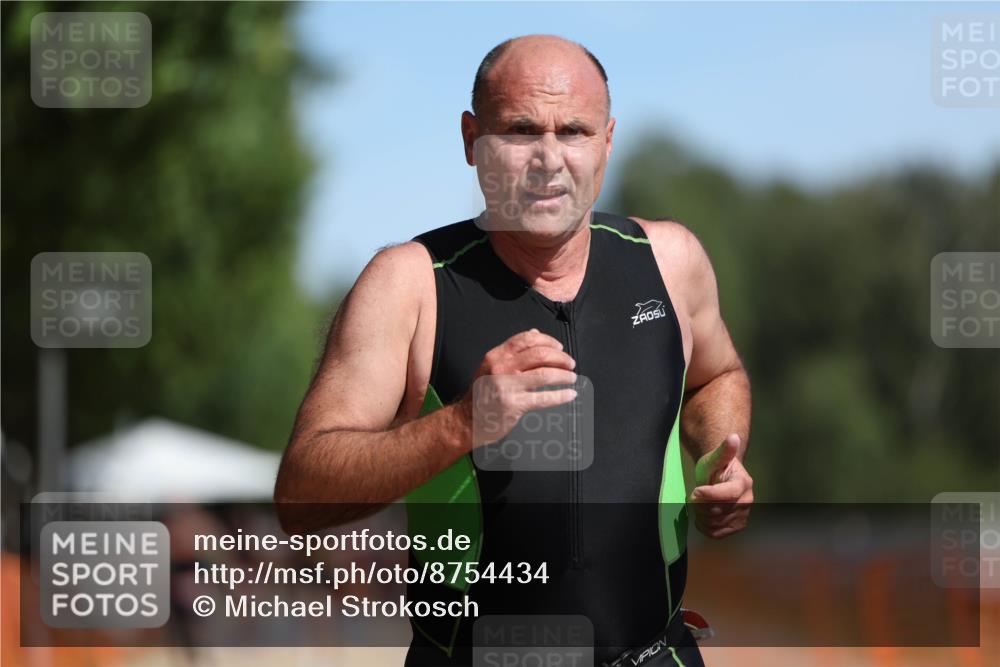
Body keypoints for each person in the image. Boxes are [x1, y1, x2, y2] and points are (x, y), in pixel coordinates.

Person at [275, 34, 753, 667]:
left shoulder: (669, 261)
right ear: (472, 139)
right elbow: (301, 494)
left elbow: (716, 376)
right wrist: (460, 424)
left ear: (607, 141)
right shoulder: (410, 284)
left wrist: (720, 465)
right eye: (522, 131)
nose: (549, 159)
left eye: (574, 131)